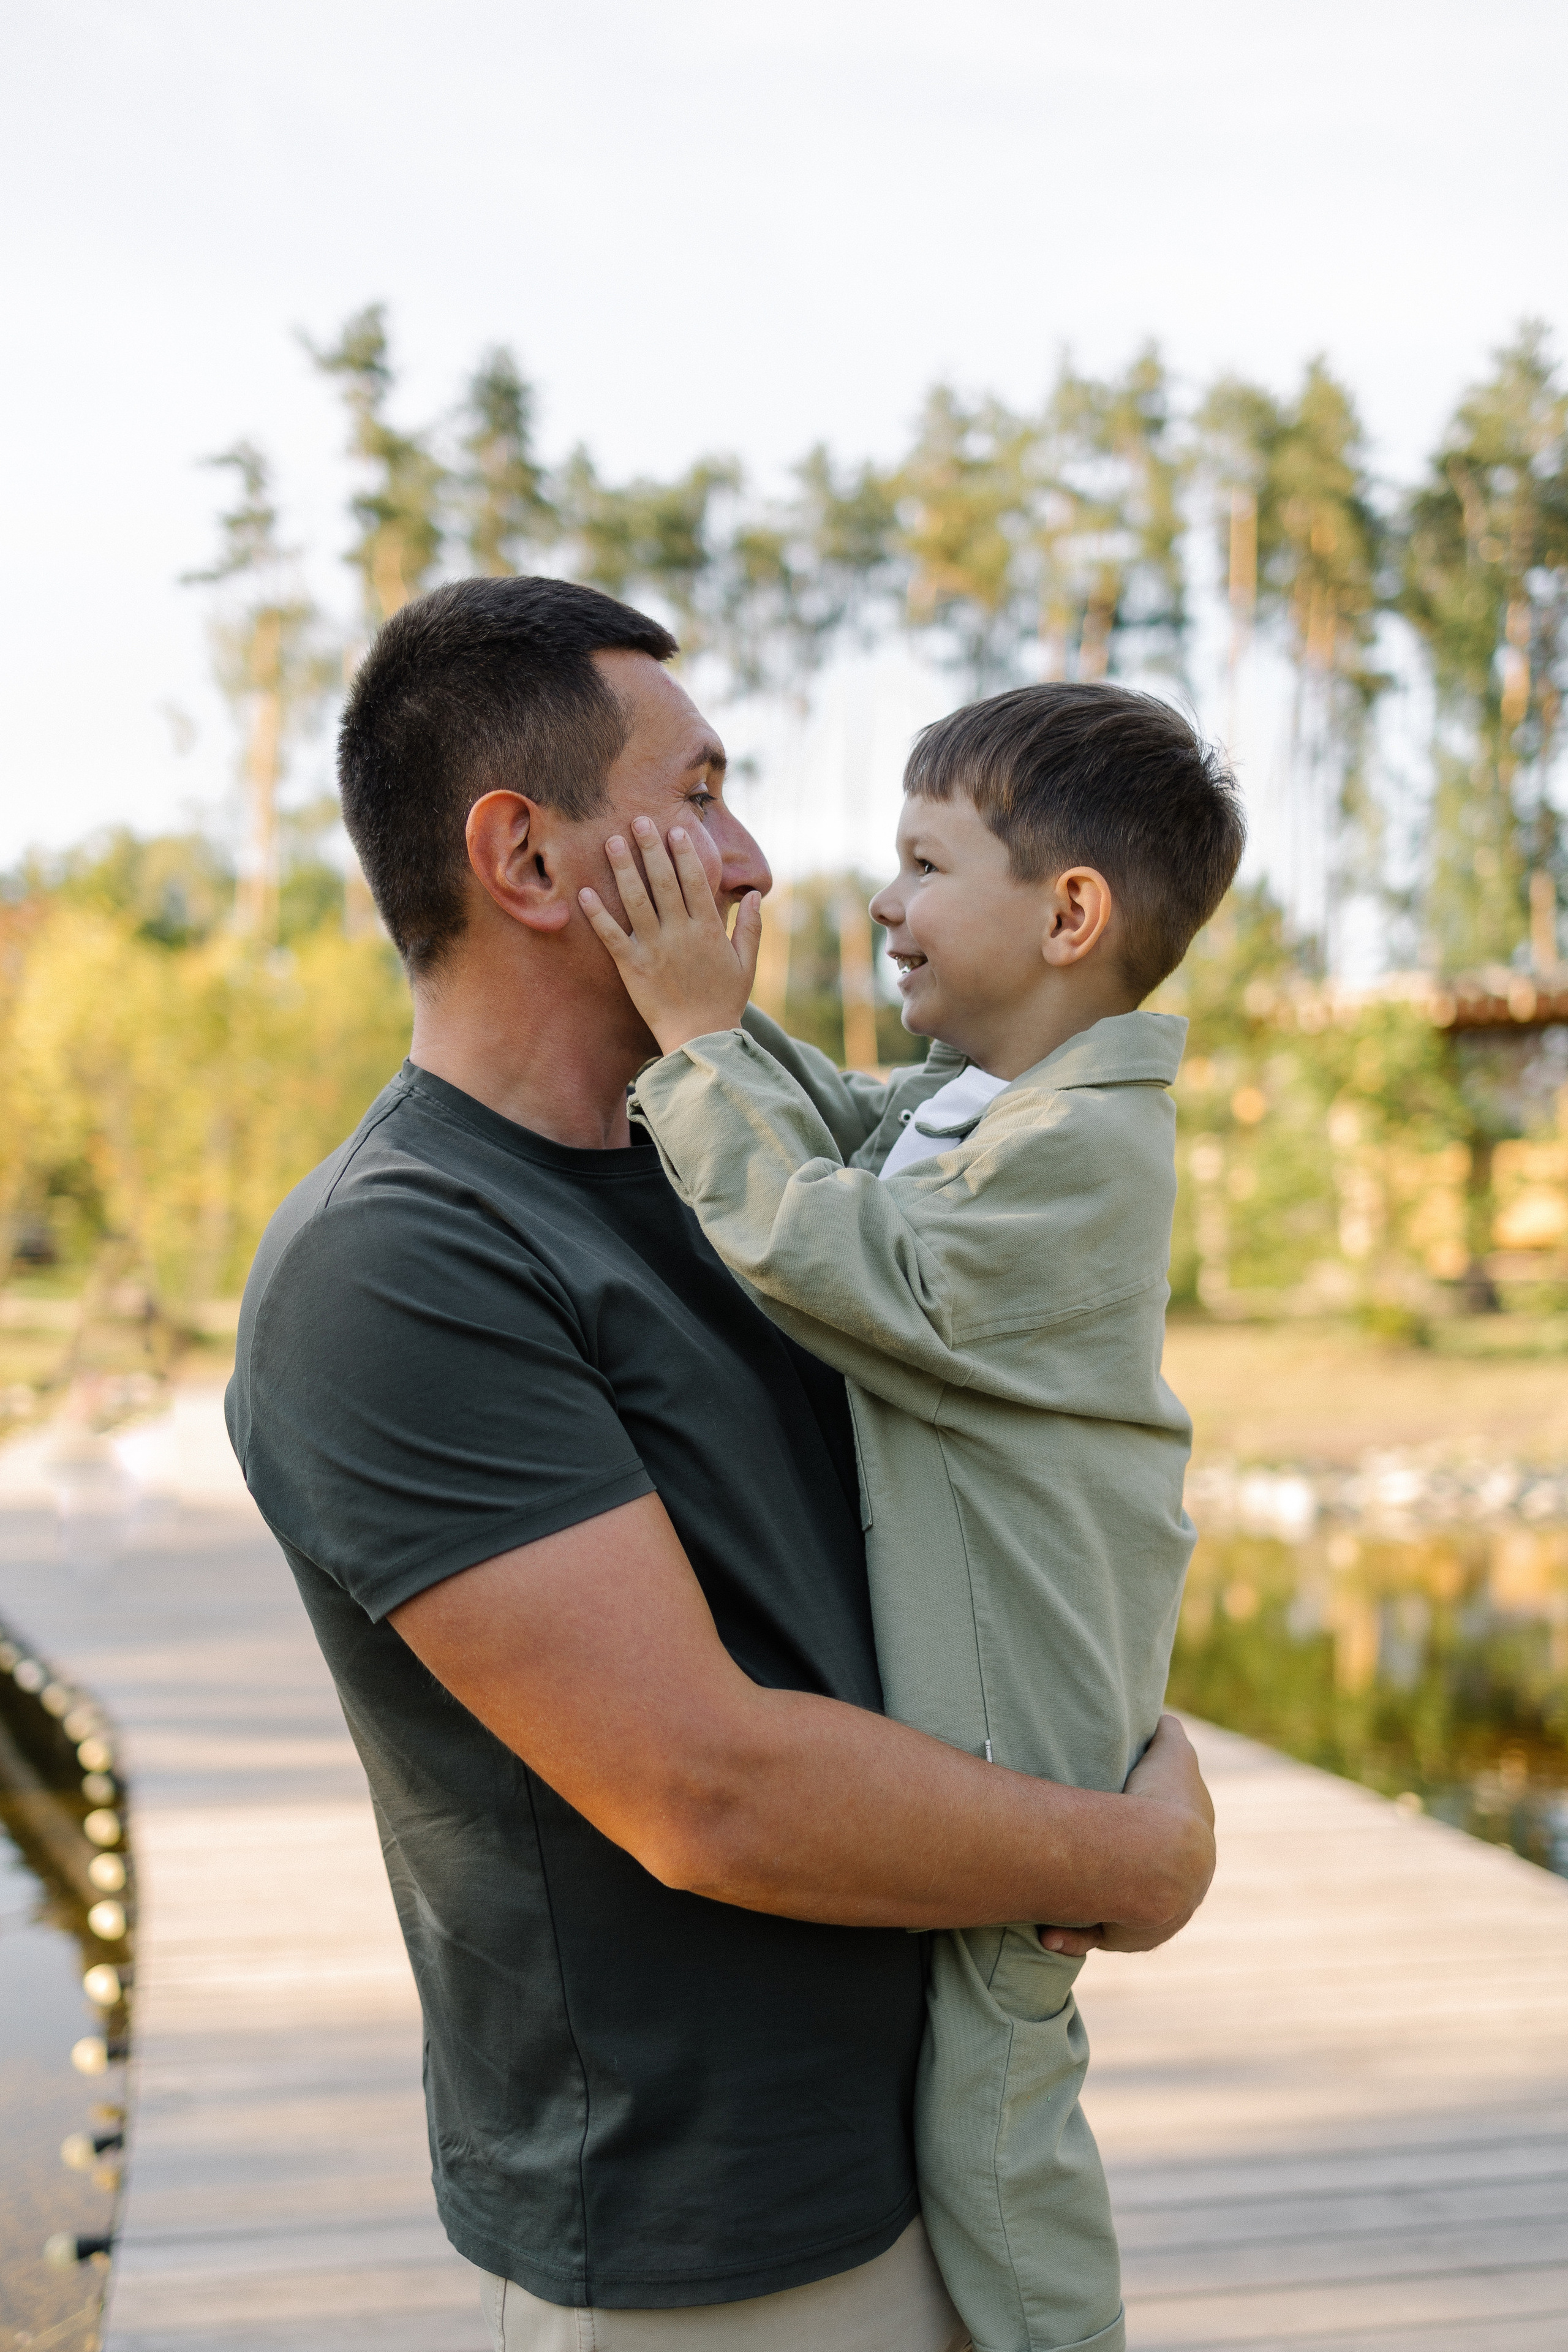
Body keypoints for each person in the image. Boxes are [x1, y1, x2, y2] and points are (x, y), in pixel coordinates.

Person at [225, 577, 1216, 2352]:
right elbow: (706, 1786)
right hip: (720, 2252)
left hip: (928, 2158)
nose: (755, 862)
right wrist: (1123, 1857)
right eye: (695, 799)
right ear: (525, 863)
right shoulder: (399, 1267)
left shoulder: (716, 1166)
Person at [580, 679, 1245, 2352]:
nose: (883, 899)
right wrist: (706, 1025)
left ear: (1071, 913)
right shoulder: (975, 1106)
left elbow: (852, 1261)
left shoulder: (1092, 1148)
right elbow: (832, 1137)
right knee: (975, 2045)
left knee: (1001, 2089)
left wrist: (690, 1045)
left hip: (1030, 1672)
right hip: (996, 1645)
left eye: (924, 862)